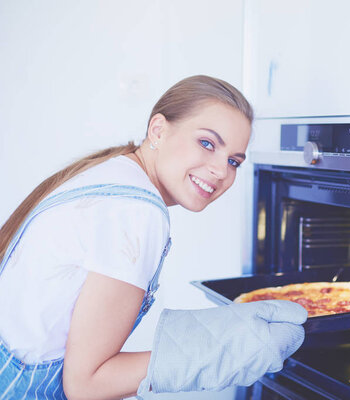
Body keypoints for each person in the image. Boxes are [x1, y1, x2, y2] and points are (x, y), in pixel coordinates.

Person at [0, 75, 307, 399]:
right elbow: (85, 385)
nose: (221, 170)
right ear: (158, 130)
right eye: (207, 143)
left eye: (234, 161)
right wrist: (218, 351)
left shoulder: (116, 173)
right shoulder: (137, 210)